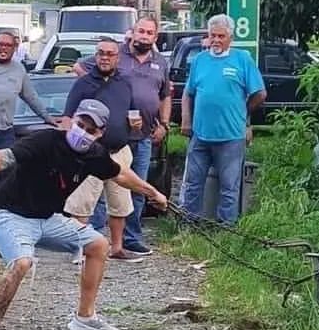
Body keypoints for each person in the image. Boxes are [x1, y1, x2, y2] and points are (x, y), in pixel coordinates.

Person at [0, 99, 168, 330]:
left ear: (100, 134)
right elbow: (7, 156)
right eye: (80, 124)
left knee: (98, 244)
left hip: (48, 219)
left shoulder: (95, 155)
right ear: (72, 121)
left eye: (91, 130)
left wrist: (153, 192)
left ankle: (85, 317)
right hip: (8, 215)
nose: (82, 132)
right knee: (22, 262)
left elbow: (121, 174)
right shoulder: (46, 141)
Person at [72, 15, 171, 255]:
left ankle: (130, 239)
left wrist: (165, 124)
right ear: (132, 32)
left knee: (132, 190)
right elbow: (80, 66)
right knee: (95, 192)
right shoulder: (116, 54)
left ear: (155, 37)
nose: (144, 36)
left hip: (142, 134)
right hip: (106, 140)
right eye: (141, 31)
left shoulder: (160, 61)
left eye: (149, 33)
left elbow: (165, 94)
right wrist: (95, 90)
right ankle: (93, 241)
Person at [0, 28, 62, 230]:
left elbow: (30, 97)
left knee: (9, 169)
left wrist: (49, 118)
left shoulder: (19, 70)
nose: (3, 49)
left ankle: (1, 209)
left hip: (4, 129)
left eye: (8, 45)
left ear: (15, 48)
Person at [61, 38, 144, 261]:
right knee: (82, 204)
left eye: (110, 54)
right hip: (90, 154)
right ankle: (79, 249)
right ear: (95, 56)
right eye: (101, 53)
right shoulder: (83, 83)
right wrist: (69, 146)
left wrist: (135, 123)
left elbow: (132, 112)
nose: (105, 57)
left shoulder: (125, 83)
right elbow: (68, 117)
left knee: (120, 203)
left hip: (119, 152)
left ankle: (116, 248)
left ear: (118, 57)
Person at [180, 14, 266, 224]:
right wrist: (186, 120)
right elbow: (188, 93)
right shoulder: (200, 60)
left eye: (221, 36)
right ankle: (190, 226)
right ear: (207, 36)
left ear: (230, 38)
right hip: (200, 135)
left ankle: (226, 229)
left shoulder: (242, 59)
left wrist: (243, 114)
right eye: (213, 36)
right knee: (193, 183)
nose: (216, 40)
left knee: (229, 186)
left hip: (231, 136)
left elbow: (260, 93)